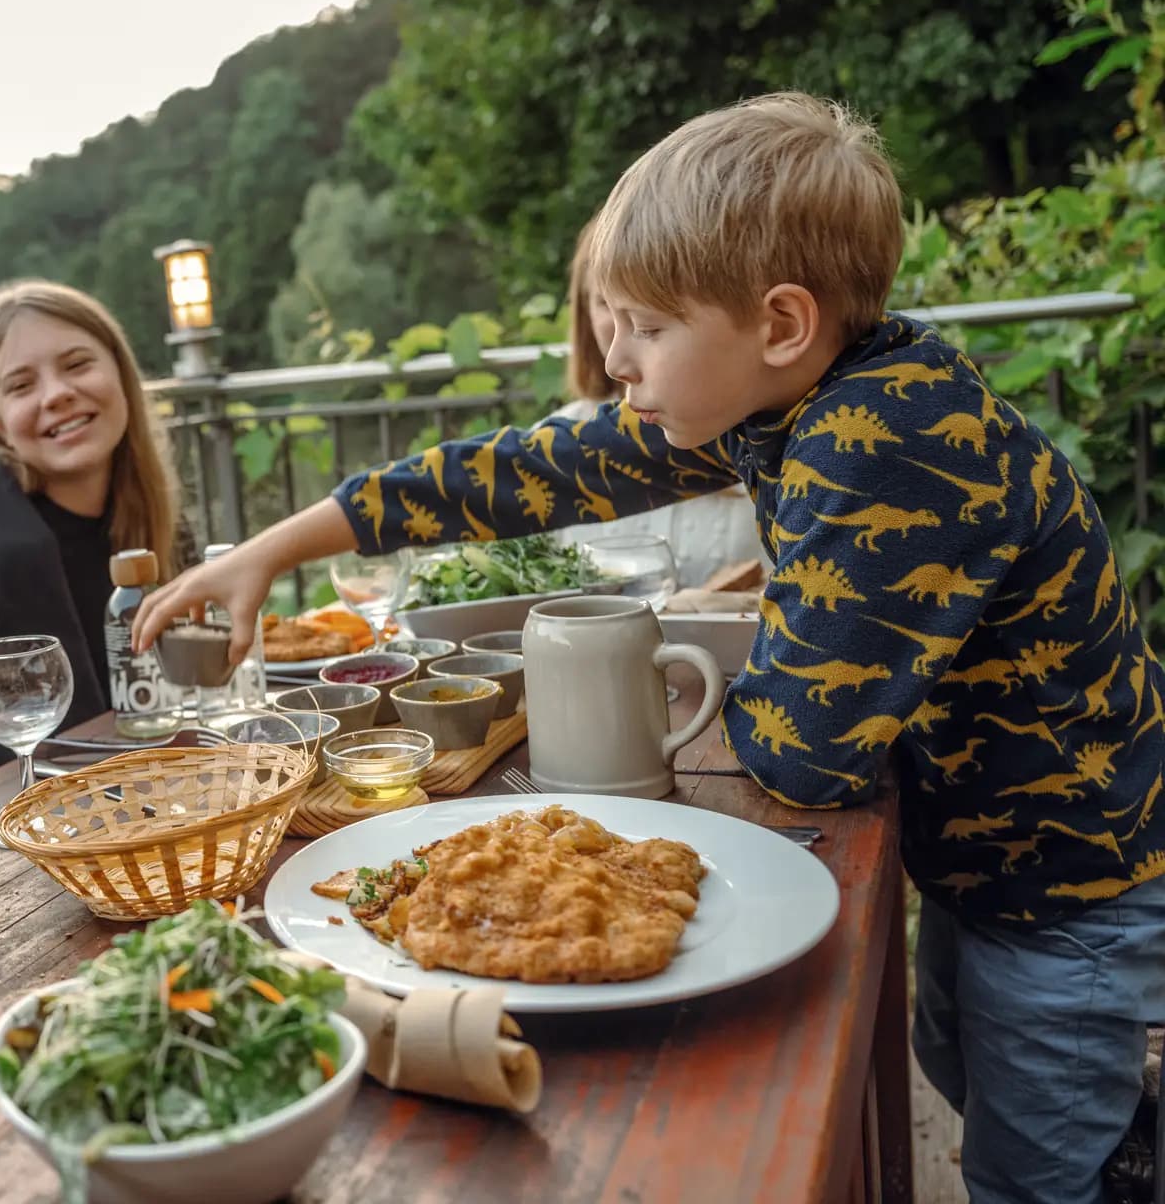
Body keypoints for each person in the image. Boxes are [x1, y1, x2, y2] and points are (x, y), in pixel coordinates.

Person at [137, 92, 1165, 1204]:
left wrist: (713, 653)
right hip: (984, 863)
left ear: (780, 323)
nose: (616, 362)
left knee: (1034, 1167)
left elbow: (802, 755)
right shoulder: (790, 399)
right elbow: (530, 468)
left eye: (646, 325)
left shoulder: (889, 442)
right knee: (959, 1060)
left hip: (1073, 883)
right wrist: (276, 548)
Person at [0, 280, 186, 769]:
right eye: (21, 386)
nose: (57, 395)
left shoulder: (140, 512)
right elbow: (54, 766)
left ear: (121, 371)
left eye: (77, 365)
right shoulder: (9, 556)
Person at [550, 212, 765, 585]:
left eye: (649, 321)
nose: (619, 356)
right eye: (605, 304)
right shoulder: (558, 442)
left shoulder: (761, 438)